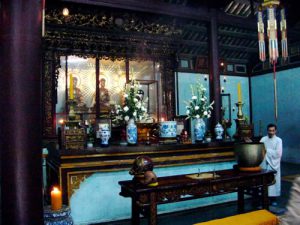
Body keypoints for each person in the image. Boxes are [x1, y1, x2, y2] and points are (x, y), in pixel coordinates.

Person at [260, 123, 283, 206]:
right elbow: (260, 150)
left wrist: (267, 150)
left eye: (273, 131)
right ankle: (264, 198)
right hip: (264, 163)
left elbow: (278, 154)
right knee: (264, 181)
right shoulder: (263, 139)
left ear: (275, 131)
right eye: (269, 131)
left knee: (273, 182)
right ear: (267, 131)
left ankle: (273, 199)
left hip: (273, 163)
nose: (271, 132)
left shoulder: (278, 140)